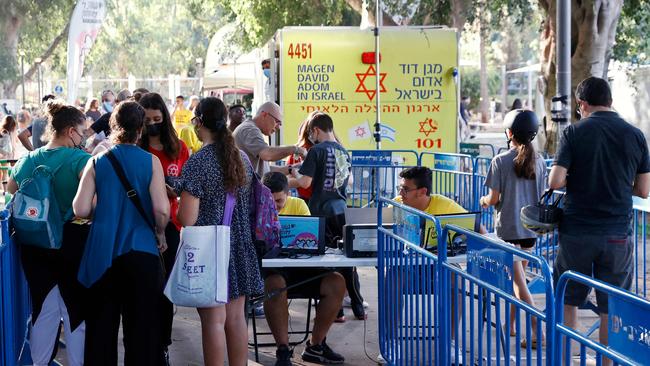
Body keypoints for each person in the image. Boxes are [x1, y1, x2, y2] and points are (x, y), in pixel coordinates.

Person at [549, 77, 650, 362]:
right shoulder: (635, 135)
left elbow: (555, 180)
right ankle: (606, 362)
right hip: (618, 232)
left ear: (582, 104)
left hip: (577, 232)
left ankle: (567, 359)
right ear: (610, 101)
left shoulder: (574, 133)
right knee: (612, 306)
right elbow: (643, 189)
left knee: (568, 298)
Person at [74, 101, 170, 365]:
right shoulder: (150, 162)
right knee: (142, 331)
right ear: (140, 129)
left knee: (100, 331)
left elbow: (80, 208)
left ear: (113, 126)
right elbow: (162, 210)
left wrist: (105, 211)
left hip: (102, 254)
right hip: (141, 252)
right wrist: (160, 234)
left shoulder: (96, 161)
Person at [177, 96, 263, 366]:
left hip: (209, 250)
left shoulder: (198, 162)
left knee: (214, 321)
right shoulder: (243, 160)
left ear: (199, 123)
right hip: (239, 245)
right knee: (237, 318)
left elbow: (188, 218)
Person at [8, 100, 91, 366]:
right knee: (75, 312)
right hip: (71, 242)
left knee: (43, 311)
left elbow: (11, 189)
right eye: (83, 131)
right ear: (70, 131)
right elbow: (92, 204)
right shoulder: (82, 160)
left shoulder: (28, 159)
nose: (85, 136)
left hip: (33, 245)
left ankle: (39, 363)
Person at [262, 171, 345, 365]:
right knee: (275, 284)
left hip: (300, 268)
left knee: (337, 282)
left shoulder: (299, 205)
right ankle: (283, 350)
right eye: (270, 201)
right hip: (273, 272)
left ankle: (315, 345)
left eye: (279, 201)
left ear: (288, 194)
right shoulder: (256, 209)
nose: (274, 206)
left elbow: (311, 239)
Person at [479, 109, 547, 348]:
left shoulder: (500, 161)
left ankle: (536, 325)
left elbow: (494, 198)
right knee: (517, 281)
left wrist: (483, 201)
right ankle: (511, 325)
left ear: (509, 133)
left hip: (508, 230)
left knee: (517, 282)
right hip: (530, 231)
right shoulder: (539, 161)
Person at [138, 92, 190, 364]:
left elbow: (187, 183)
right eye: (146, 120)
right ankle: (146, 344)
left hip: (170, 224)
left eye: (157, 119)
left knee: (165, 289)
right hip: (140, 224)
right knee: (145, 289)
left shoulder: (178, 147)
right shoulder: (138, 148)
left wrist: (171, 188)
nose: (152, 124)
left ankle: (163, 344)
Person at [233, 101, 306, 178]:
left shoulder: (252, 129)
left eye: (280, 124)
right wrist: (295, 149)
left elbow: (265, 170)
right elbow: (267, 155)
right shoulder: (249, 129)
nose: (278, 127)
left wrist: (292, 168)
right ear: (264, 114)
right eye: (277, 122)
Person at [286, 117, 314, 203]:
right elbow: (287, 180)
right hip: (304, 199)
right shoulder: (297, 152)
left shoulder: (328, 149)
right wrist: (304, 180)